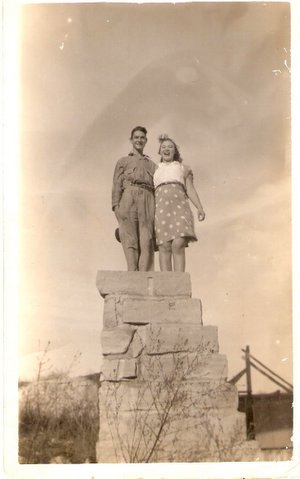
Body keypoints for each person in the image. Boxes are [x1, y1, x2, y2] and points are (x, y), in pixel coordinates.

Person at [153, 134, 205, 272]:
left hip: (179, 208)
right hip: (161, 210)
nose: (167, 149)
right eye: (163, 147)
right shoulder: (155, 170)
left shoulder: (182, 168)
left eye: (170, 147)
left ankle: (179, 284)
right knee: (164, 246)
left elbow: (190, 189)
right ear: (159, 151)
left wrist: (199, 207)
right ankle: (166, 285)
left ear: (175, 151)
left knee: (178, 243)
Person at [112, 126, 157, 271]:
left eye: (142, 138)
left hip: (148, 198)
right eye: (136, 137)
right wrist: (116, 208)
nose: (139, 140)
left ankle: (143, 276)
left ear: (146, 141)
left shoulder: (153, 165)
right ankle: (132, 272)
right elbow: (117, 185)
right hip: (128, 197)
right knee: (129, 238)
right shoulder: (123, 161)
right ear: (131, 140)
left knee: (147, 239)